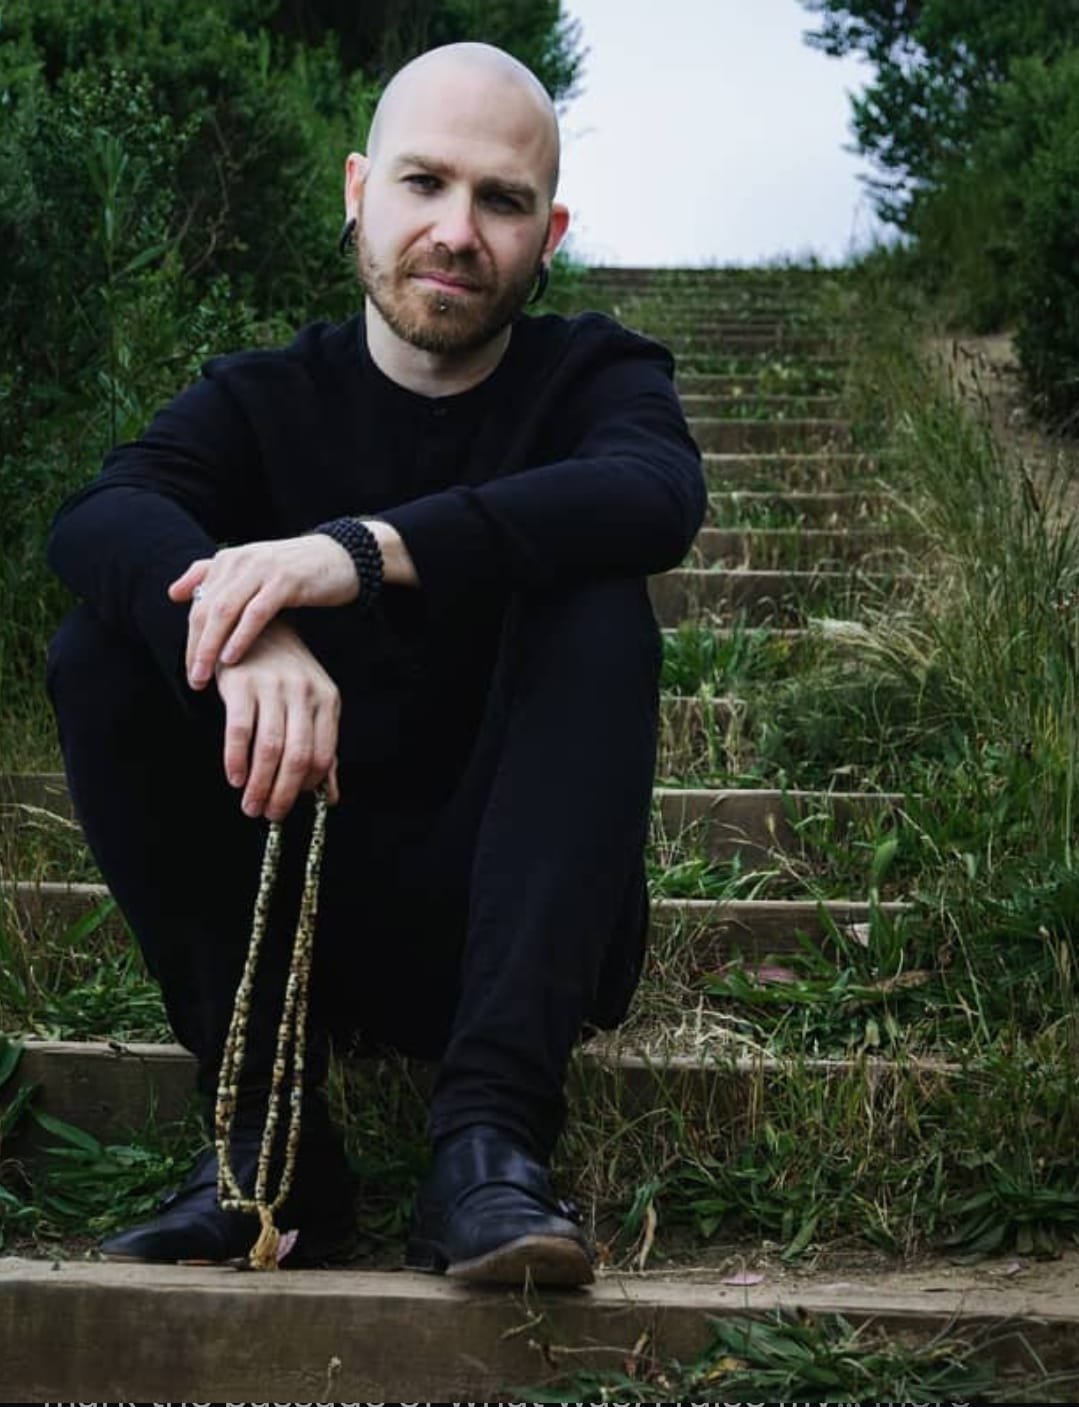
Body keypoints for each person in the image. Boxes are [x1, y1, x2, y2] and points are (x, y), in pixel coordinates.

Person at [45, 40, 706, 1286]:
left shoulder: (592, 376)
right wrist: (252, 633)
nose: (456, 230)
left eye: (500, 201)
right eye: (423, 183)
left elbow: (652, 494)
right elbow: (100, 516)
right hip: (296, 911)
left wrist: (352, 552)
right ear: (358, 191)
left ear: (546, 229)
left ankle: (490, 1145)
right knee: (105, 648)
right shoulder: (261, 397)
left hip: (513, 914)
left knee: (598, 603)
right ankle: (269, 1148)